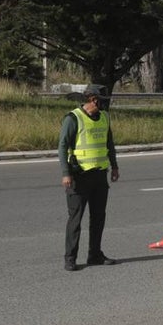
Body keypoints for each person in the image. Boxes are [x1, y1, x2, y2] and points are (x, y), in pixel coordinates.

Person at [59, 84, 120, 271]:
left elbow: (109, 143)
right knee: (75, 220)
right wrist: (65, 173)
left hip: (100, 176)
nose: (105, 105)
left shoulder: (105, 117)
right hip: (79, 176)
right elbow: (62, 146)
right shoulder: (73, 118)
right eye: (102, 101)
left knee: (98, 217)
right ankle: (70, 258)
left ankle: (95, 255)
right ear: (93, 99)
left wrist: (115, 166)